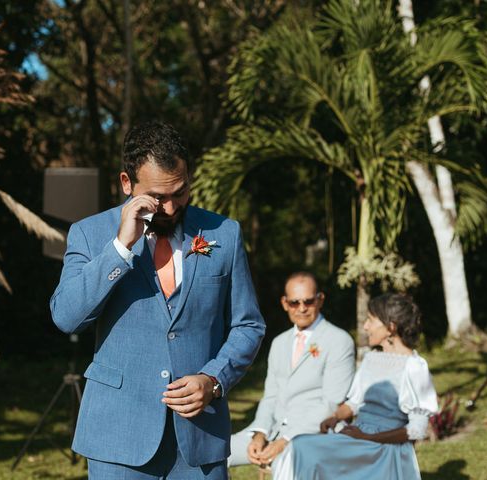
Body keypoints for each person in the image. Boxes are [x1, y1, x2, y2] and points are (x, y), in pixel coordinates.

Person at [50, 121, 265, 479]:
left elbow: (248, 325)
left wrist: (213, 381)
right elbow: (67, 317)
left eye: (179, 193)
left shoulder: (224, 233)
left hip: (200, 440)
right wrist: (120, 248)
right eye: (156, 197)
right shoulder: (89, 234)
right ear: (126, 184)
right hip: (116, 438)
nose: (168, 207)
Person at [272, 293, 438, 480]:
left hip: (383, 448)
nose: (365, 326)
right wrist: (335, 417)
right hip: (357, 438)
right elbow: (354, 403)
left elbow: (417, 429)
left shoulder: (415, 367)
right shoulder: (371, 359)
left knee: (303, 448)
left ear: (390, 327)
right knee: (298, 446)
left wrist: (368, 438)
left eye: (370, 320)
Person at [228, 272, 355, 468]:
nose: (302, 308)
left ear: (320, 300)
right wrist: (260, 433)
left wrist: (284, 440)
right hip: (272, 430)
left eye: (309, 301)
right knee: (219, 453)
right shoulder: (279, 342)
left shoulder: (339, 341)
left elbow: (331, 404)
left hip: (313, 433)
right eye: (295, 303)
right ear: (285, 303)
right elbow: (270, 396)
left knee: (285, 463)